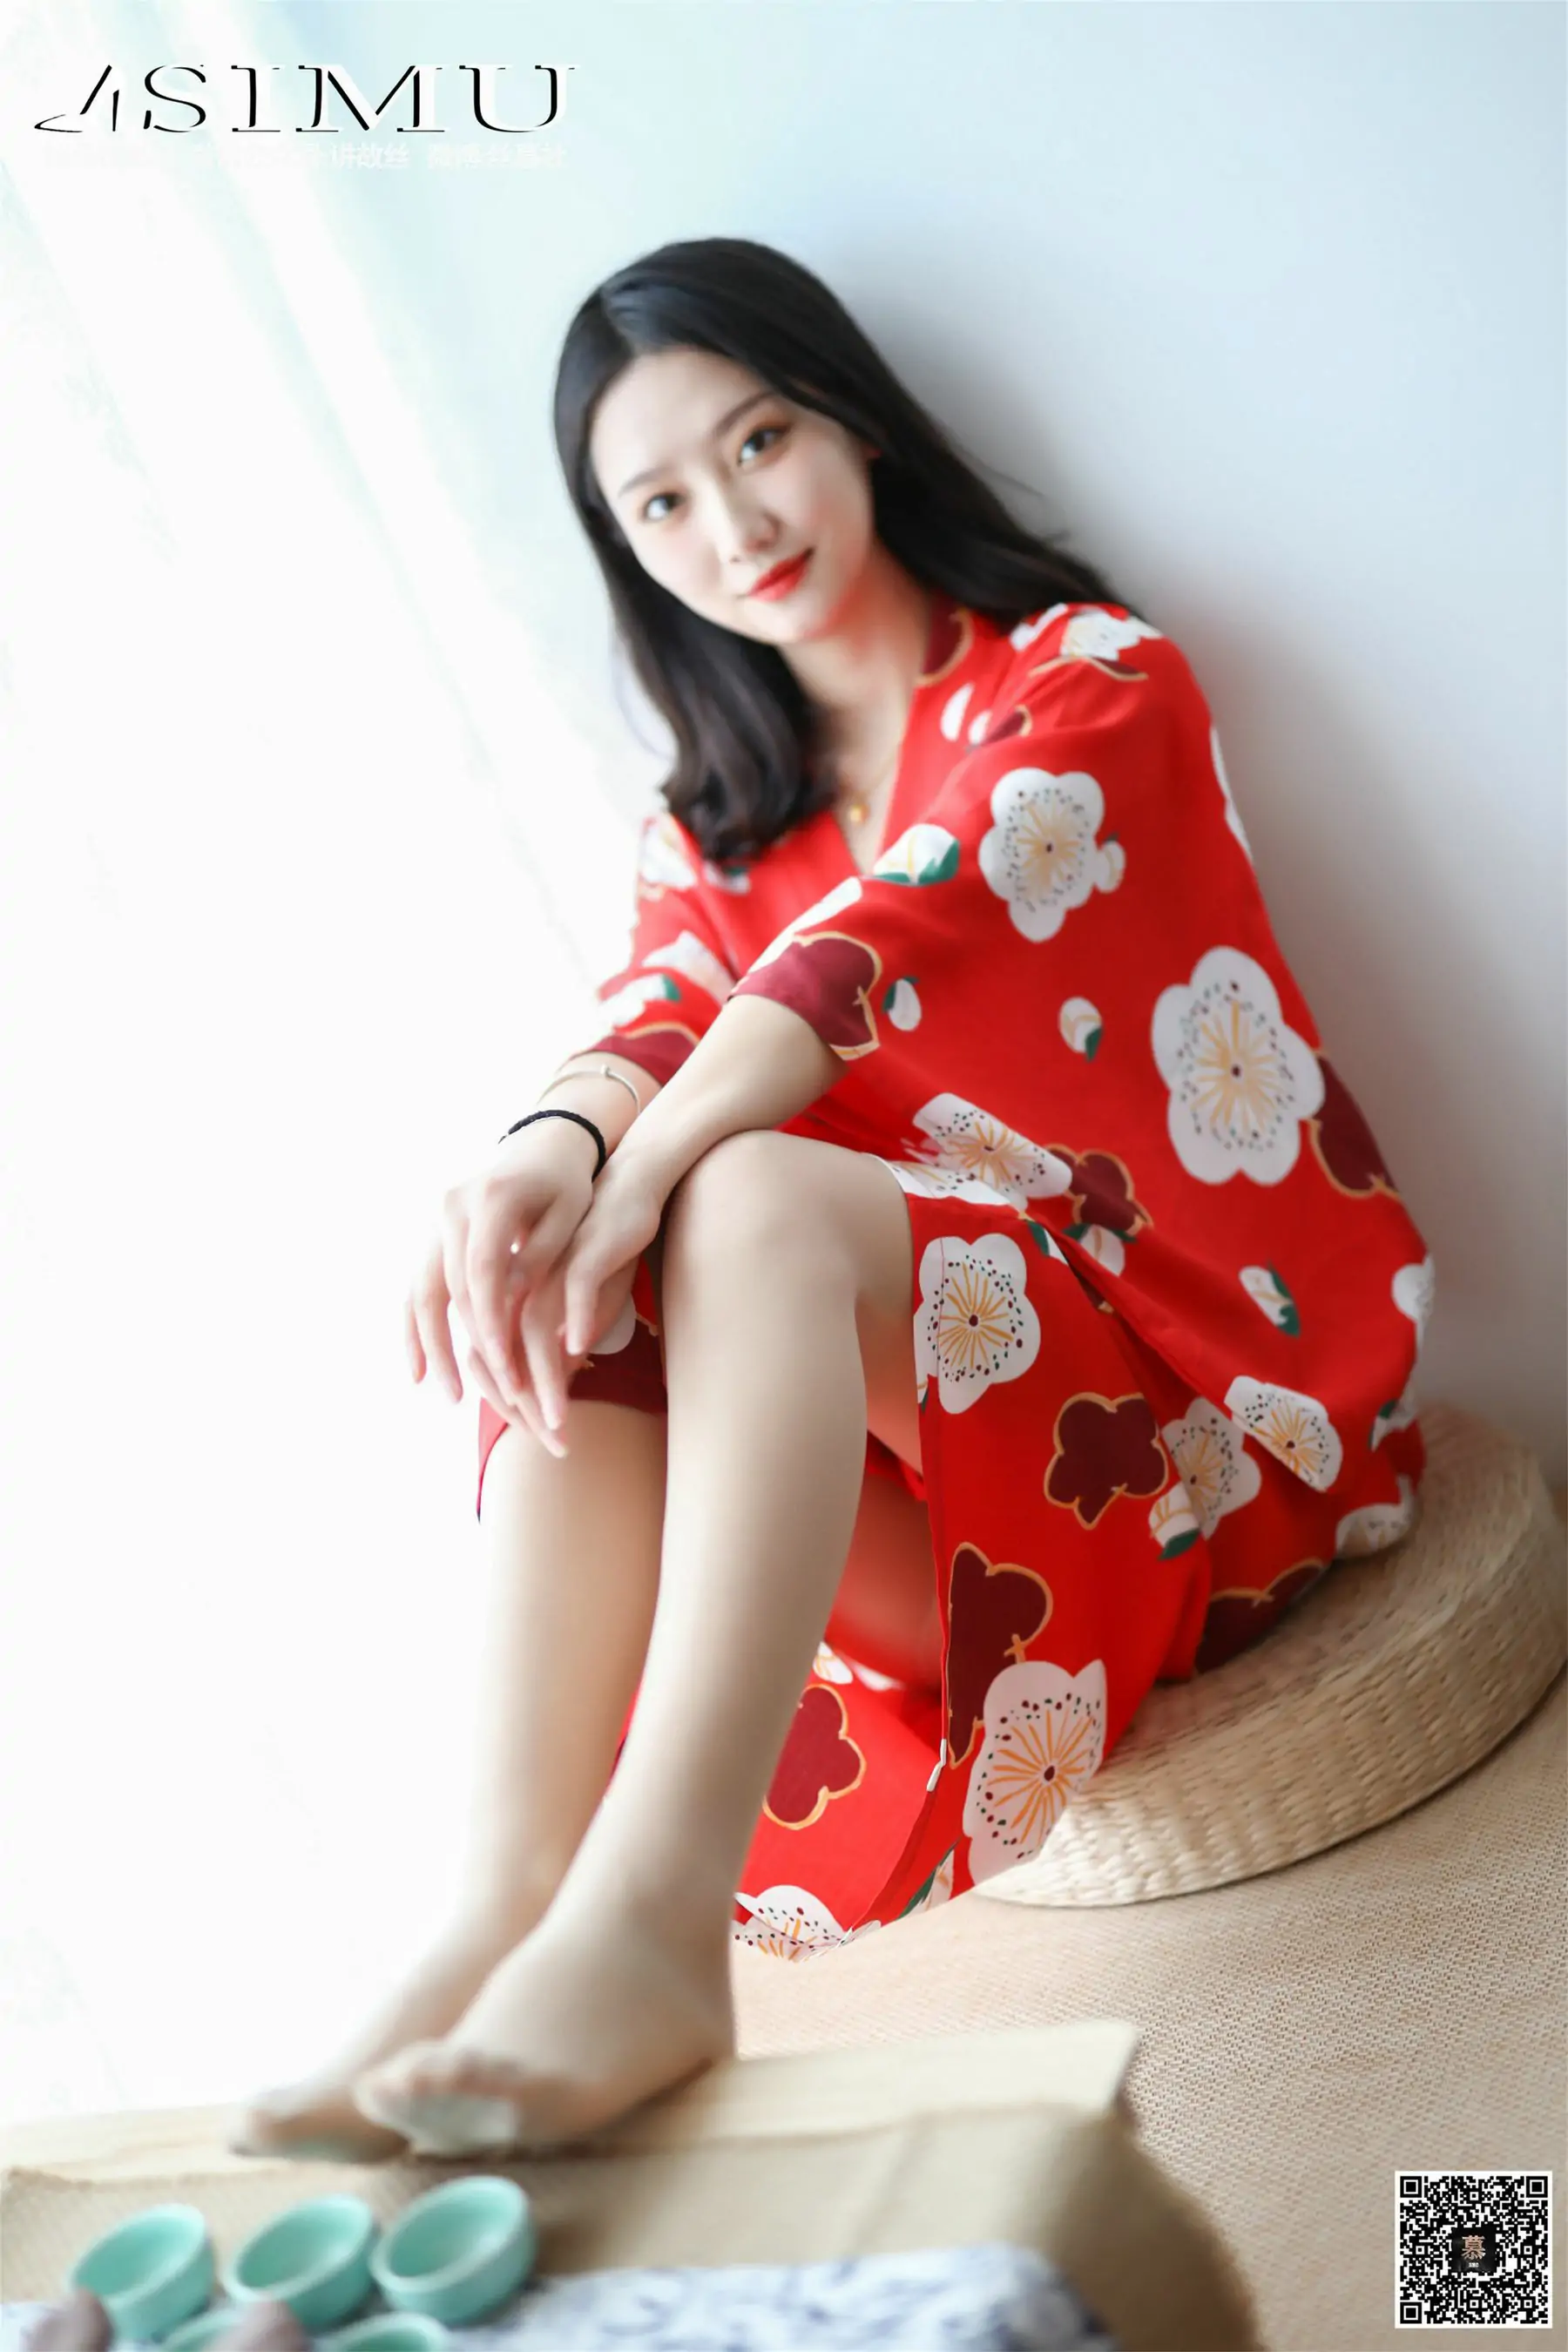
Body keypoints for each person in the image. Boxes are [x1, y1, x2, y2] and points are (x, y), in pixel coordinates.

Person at [227, 236, 1432, 2167]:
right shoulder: (722, 831)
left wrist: (642, 1161)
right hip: (961, 1556)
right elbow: (656, 1003)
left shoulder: (1092, 683)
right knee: (593, 1250)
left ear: (853, 417)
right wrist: (548, 1150)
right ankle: (497, 1906)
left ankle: (648, 1922)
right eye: (661, 503)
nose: (735, 525)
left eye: (759, 439)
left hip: (1198, 1463)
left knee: (746, 1203)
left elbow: (870, 955)